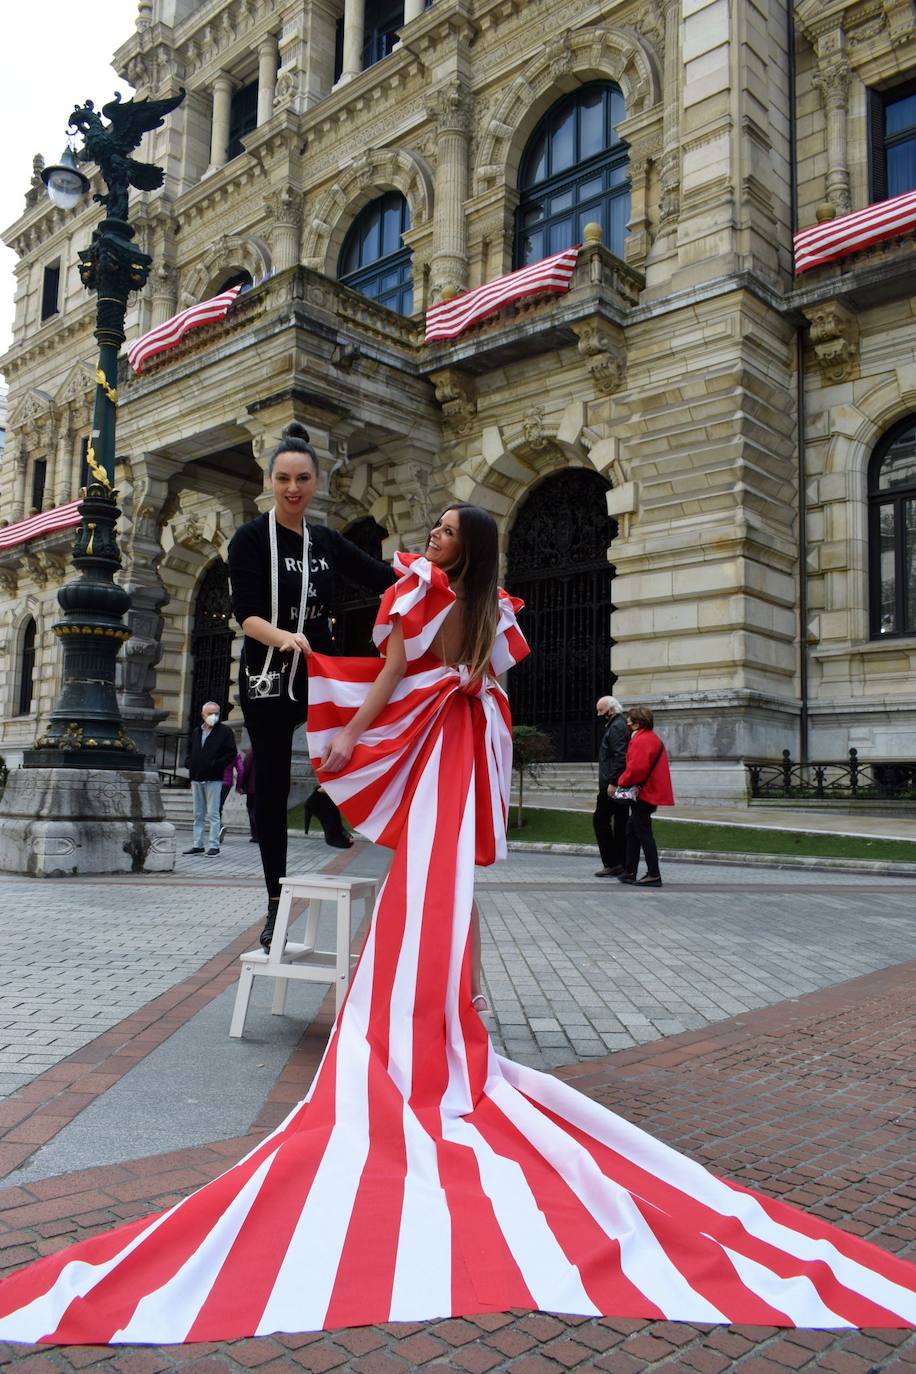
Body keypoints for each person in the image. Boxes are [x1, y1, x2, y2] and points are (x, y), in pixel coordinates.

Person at [0, 508, 913, 1341]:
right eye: (431, 531)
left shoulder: (485, 609)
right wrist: (357, 730)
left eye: (443, 533)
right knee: (425, 891)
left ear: (468, 549)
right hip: (442, 747)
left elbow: (475, 686)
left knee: (438, 894)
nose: (431, 539)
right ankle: (426, 1027)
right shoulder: (424, 599)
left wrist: (425, 724)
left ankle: (431, 1030)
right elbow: (397, 669)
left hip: (458, 750)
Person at [227, 421, 395, 949]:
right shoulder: (250, 538)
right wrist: (284, 637)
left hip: (321, 670)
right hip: (267, 674)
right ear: (270, 481)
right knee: (272, 786)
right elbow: (246, 614)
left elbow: (381, 577)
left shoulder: (325, 540)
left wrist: (433, 577)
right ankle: (275, 901)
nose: (292, 488)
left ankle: (326, 800)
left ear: (316, 482)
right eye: (283, 478)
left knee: (367, 730)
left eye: (302, 478)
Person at [613, 704, 675, 886]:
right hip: (648, 791)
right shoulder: (650, 738)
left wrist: (621, 781)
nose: (628, 722)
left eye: (630, 720)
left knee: (643, 832)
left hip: (644, 793)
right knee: (632, 830)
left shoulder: (641, 740)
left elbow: (637, 769)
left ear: (639, 722)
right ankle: (630, 871)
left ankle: (653, 874)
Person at [182, 701, 237, 856]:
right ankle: (197, 844)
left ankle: (214, 845)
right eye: (210, 713)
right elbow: (190, 749)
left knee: (213, 813)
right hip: (196, 777)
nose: (214, 716)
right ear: (203, 715)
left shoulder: (225, 732)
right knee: (198, 814)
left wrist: (216, 765)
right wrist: (189, 763)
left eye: (217, 713)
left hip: (213, 778)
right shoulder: (197, 731)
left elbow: (231, 753)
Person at [592, 694, 629, 876]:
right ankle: (620, 862)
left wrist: (613, 782)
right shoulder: (618, 725)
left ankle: (613, 862)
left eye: (601, 711)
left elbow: (620, 757)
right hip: (616, 782)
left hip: (612, 784)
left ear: (612, 710)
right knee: (620, 822)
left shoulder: (616, 727)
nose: (599, 715)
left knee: (600, 821)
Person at [218, 749, 245, 844]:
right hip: (227, 783)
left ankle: (219, 828)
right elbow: (241, 770)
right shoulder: (235, 753)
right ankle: (218, 829)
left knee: (214, 807)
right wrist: (239, 786)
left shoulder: (218, 749)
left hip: (215, 782)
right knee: (219, 806)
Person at [240, 745, 257, 842]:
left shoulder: (252, 750)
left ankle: (256, 834)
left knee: (252, 810)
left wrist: (242, 784)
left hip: (253, 788)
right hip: (265, 789)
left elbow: (245, 767)